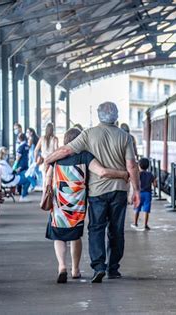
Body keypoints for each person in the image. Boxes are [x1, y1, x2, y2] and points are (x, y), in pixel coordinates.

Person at [45, 102, 140, 283]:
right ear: (116, 116)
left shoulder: (89, 134)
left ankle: (98, 266)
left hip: (96, 192)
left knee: (96, 228)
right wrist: (136, 190)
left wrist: (48, 160)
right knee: (116, 230)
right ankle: (113, 268)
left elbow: (66, 150)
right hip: (119, 189)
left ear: (98, 115)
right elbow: (132, 166)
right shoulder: (125, 137)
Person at [131, 158, 156, 231]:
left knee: (137, 209)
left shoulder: (138, 174)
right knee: (146, 210)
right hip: (147, 194)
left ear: (139, 165)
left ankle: (135, 223)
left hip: (139, 193)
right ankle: (145, 225)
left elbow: (134, 182)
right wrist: (154, 182)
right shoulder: (150, 174)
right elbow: (155, 184)